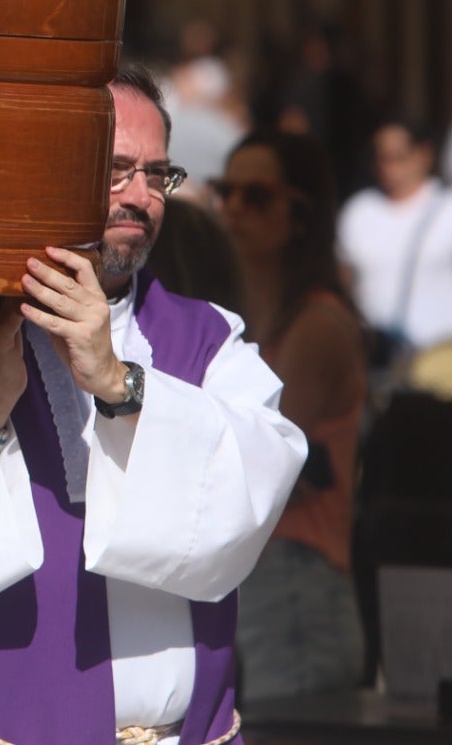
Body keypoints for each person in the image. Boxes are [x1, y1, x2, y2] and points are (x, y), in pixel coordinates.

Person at [0, 63, 305, 745]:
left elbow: (251, 498)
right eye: (115, 169)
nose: (140, 196)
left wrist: (122, 385)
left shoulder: (206, 342)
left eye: (157, 174)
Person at [211, 131, 367, 700]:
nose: (231, 210)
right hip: (260, 575)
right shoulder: (250, 318)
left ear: (300, 216)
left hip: (299, 578)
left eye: (256, 197)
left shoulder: (319, 325)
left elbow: (268, 465)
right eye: (224, 192)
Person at [337, 118, 452, 363]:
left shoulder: (447, 209)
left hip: (439, 359)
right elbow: (343, 282)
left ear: (424, 154)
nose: (388, 166)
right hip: (375, 358)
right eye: (381, 157)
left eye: (398, 156)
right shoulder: (358, 211)